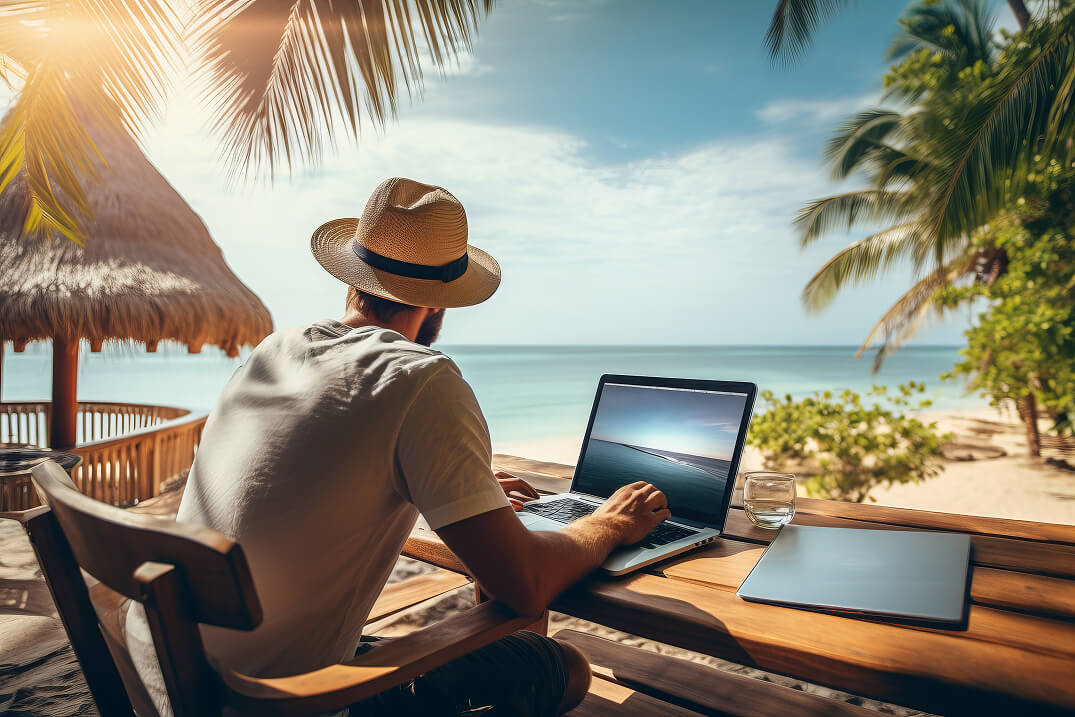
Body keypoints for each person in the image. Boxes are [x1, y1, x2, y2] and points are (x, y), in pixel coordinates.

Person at [127, 177, 671, 716]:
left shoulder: (275, 350)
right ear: (439, 306)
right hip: (282, 701)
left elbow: (306, 478)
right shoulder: (419, 379)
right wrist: (608, 523)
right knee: (561, 667)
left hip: (167, 674)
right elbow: (525, 585)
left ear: (351, 280)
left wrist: (447, 493)